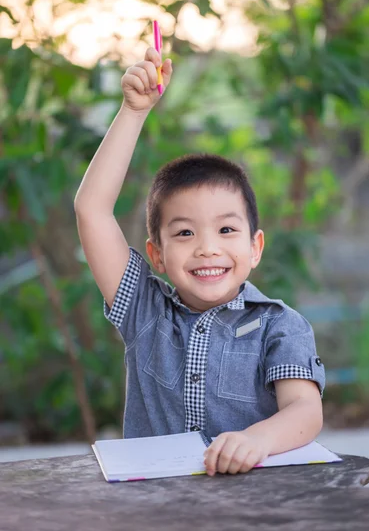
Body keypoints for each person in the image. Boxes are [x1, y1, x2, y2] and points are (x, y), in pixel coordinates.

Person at [74, 47, 325, 477]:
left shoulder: (280, 326)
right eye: (185, 233)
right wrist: (133, 112)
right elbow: (92, 210)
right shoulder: (144, 311)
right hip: (156, 507)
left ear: (255, 247)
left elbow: (305, 410)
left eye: (226, 230)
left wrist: (257, 439)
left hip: (253, 505)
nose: (207, 248)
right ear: (157, 255)